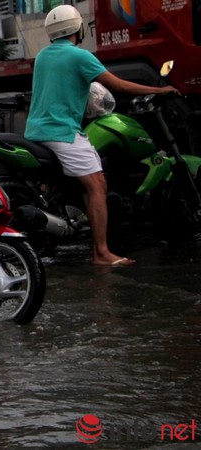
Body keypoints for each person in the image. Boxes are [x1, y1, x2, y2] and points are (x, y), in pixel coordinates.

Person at [24, 5, 179, 266]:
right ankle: (101, 253)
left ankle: (52, 234)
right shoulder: (79, 56)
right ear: (78, 28)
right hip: (61, 131)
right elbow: (118, 85)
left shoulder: (42, 56)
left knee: (56, 184)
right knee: (97, 185)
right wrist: (160, 90)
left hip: (35, 131)